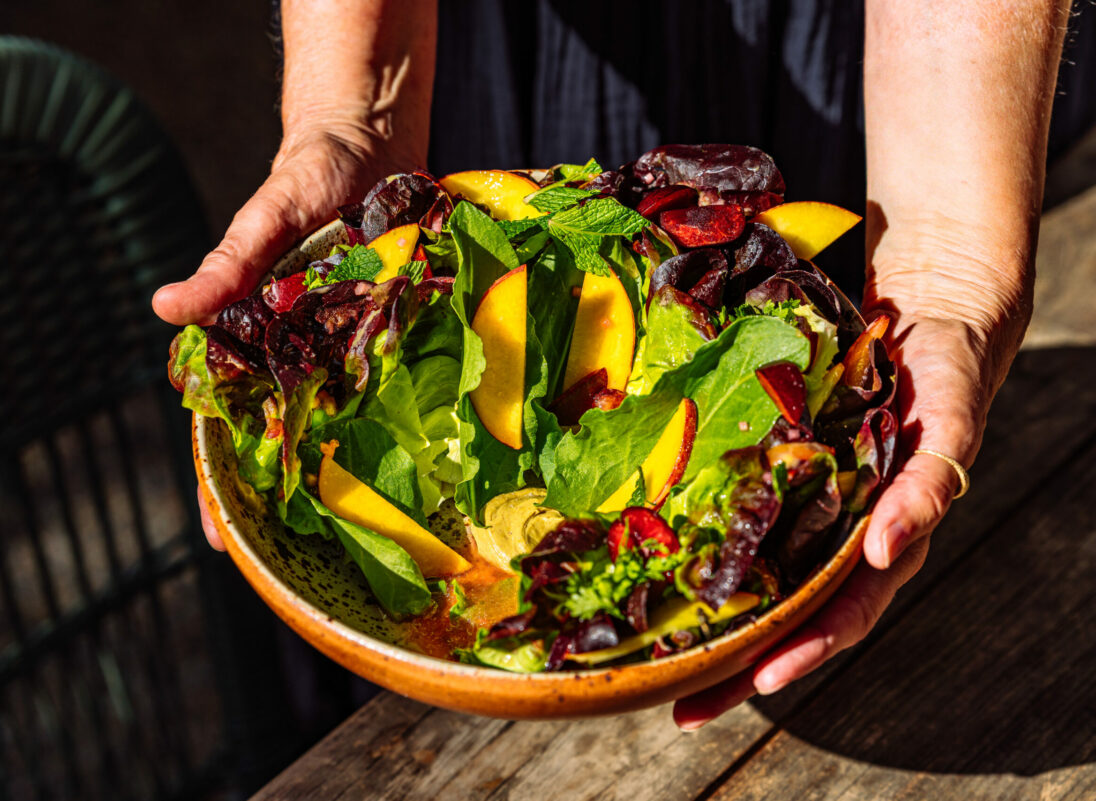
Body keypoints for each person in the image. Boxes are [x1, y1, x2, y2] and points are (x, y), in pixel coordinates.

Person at [154, 0, 1078, 728]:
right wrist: (359, 110)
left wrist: (948, 260)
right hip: (481, 37)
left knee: (818, 350)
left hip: (884, 53)